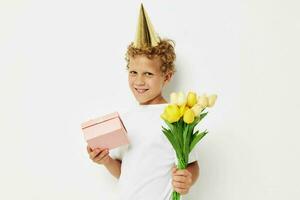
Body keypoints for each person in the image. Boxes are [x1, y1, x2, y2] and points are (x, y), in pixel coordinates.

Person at [86, 4, 200, 199]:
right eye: (133, 73)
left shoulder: (177, 117)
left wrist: (187, 178)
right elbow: (124, 172)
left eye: (148, 74)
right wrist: (105, 160)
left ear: (167, 77)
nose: (139, 81)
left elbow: (191, 164)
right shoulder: (125, 118)